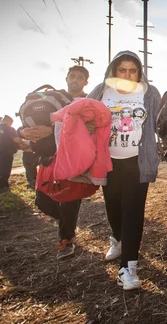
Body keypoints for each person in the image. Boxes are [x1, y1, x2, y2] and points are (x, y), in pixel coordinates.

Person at [87, 51, 161, 291]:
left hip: (137, 162)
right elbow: (80, 115)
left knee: (133, 210)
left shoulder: (149, 93)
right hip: (107, 161)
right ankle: (117, 238)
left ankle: (127, 266)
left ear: (139, 72)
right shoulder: (101, 91)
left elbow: (162, 121)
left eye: (133, 70)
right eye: (122, 70)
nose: (128, 74)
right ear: (113, 71)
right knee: (113, 206)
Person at [18, 65, 90, 259]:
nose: (75, 79)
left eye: (80, 77)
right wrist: (23, 132)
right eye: (72, 76)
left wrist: (51, 130)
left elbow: (87, 127)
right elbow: (27, 123)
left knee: (68, 199)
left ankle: (66, 240)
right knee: (42, 201)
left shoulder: (86, 101)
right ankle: (68, 222)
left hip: (70, 158)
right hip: (47, 159)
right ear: (66, 78)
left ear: (86, 82)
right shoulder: (52, 100)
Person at [0, 115, 20, 191]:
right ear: (9, 122)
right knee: (5, 169)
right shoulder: (9, 129)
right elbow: (16, 139)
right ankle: (3, 186)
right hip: (6, 152)